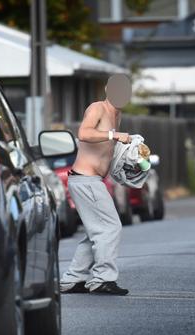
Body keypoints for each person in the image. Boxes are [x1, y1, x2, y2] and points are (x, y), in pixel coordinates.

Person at [59, 75, 131, 296]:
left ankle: (73, 279)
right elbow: (84, 133)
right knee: (110, 227)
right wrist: (114, 134)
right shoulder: (97, 108)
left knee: (95, 232)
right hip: (85, 179)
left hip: (92, 180)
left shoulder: (116, 114)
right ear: (108, 89)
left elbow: (108, 149)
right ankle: (102, 279)